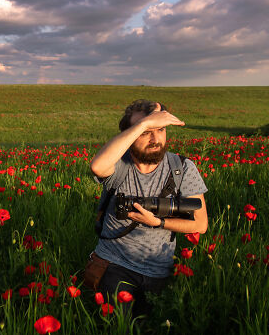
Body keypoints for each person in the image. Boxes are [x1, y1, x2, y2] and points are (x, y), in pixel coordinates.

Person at [87, 99, 208, 314]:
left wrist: (159, 222)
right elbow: (97, 166)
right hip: (114, 264)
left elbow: (200, 224)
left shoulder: (182, 169)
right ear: (130, 134)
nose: (154, 138)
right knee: (118, 332)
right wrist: (143, 124)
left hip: (159, 270)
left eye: (160, 129)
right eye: (145, 132)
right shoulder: (119, 166)